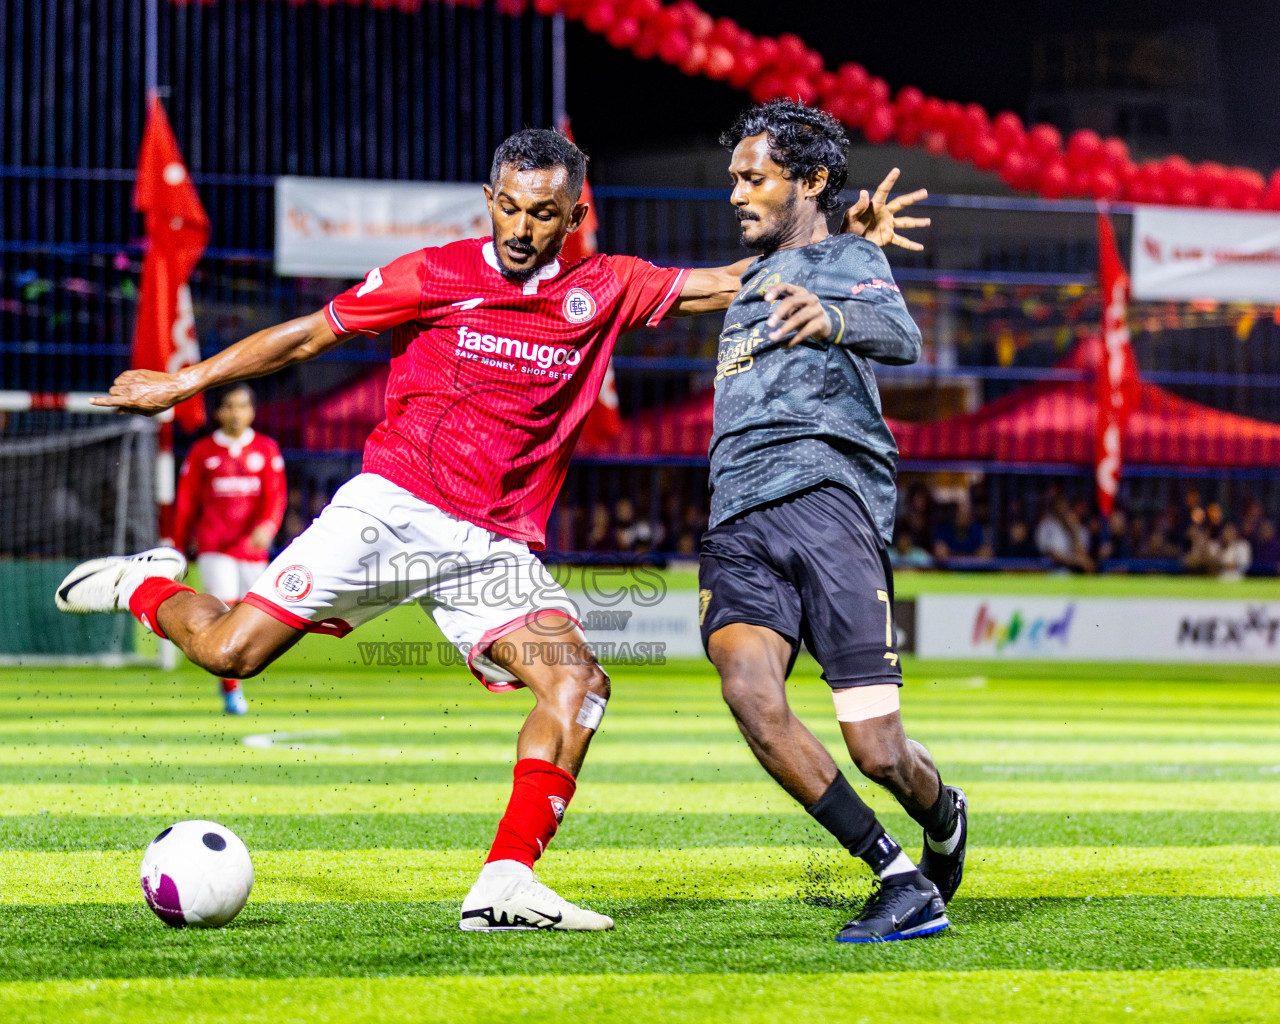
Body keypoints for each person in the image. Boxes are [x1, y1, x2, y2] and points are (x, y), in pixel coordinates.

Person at [57, 127, 921, 932]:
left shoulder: (605, 285)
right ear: (490, 196)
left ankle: (505, 882)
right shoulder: (430, 273)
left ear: (575, 216)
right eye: (508, 205)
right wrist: (185, 382)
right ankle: (146, 583)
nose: (520, 226)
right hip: (391, 510)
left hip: (494, 547)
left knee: (577, 685)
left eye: (543, 213)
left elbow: (738, 281)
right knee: (229, 653)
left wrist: (846, 239)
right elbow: (305, 339)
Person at [698, 100, 963, 944]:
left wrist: (836, 313)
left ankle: (942, 811)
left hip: (829, 503)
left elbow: (900, 333)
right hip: (736, 515)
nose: (736, 193)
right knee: (748, 691)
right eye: (734, 177)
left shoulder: (849, 255)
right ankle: (895, 873)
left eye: (754, 177)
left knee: (879, 753)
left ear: (808, 180)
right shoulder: (742, 283)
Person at [172, 385, 287, 715]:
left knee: (252, 615)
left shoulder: (266, 449)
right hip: (215, 547)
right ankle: (232, 689)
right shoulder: (202, 452)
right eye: (229, 407)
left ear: (251, 411)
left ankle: (238, 674)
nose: (236, 413)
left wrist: (268, 526)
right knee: (225, 612)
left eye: (242, 406)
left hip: (251, 551)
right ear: (218, 413)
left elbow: (276, 496)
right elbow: (186, 503)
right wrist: (179, 546)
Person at [1035, 495, 1095, 573]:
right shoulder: (1047, 525)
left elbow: (1082, 552)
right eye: (1059, 505)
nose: (1061, 508)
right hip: (1052, 568)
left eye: (1063, 505)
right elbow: (1052, 554)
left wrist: (1073, 531)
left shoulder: (1075, 527)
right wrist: (1075, 561)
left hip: (1073, 568)